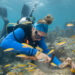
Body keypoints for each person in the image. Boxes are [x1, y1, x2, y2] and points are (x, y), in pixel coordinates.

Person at [0, 14, 75, 69]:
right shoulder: (22, 30)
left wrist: (60, 65)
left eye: (42, 37)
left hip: (23, 45)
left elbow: (46, 51)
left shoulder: (40, 37)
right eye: (38, 36)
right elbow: (4, 44)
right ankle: (6, 23)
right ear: (33, 29)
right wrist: (35, 52)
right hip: (11, 38)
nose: (39, 39)